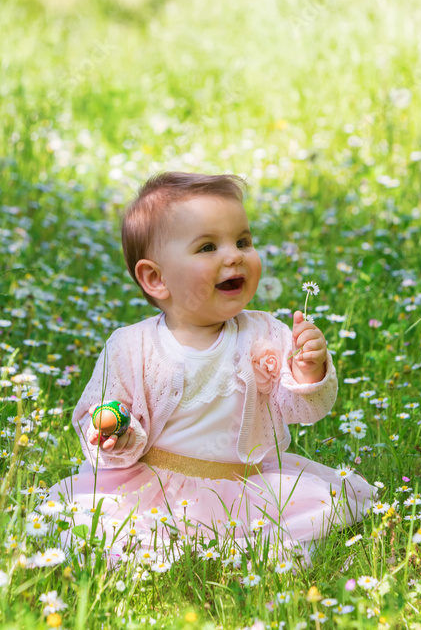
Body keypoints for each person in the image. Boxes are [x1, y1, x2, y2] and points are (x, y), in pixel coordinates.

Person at [44, 172, 375, 569]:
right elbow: (100, 410)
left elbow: (300, 410)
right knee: (104, 531)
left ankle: (261, 553)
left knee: (293, 529)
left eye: (243, 241)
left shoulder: (267, 333)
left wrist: (309, 371)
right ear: (156, 278)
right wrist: (114, 430)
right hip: (158, 488)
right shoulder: (132, 346)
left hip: (246, 485)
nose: (233, 255)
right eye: (207, 246)